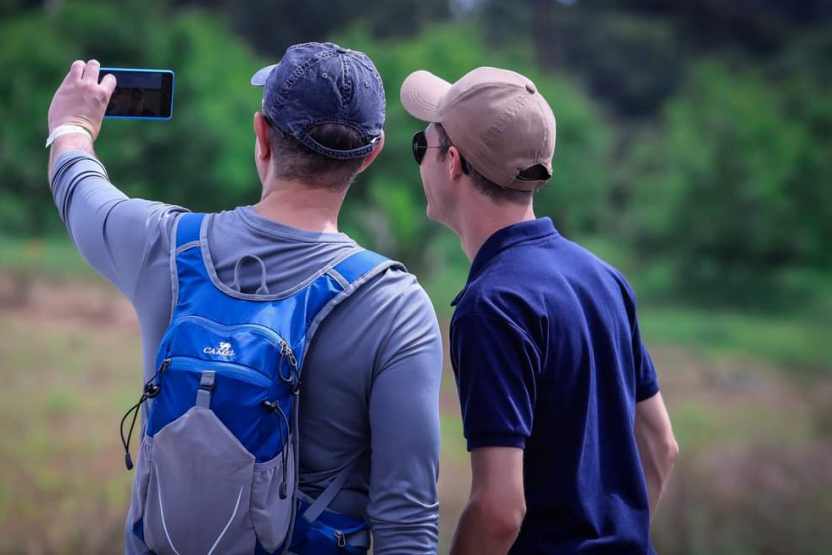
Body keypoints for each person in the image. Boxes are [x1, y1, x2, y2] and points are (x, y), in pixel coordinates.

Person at [45, 44, 442, 555]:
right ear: (371, 153)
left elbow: (78, 189)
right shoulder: (395, 304)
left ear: (262, 135)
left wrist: (72, 124)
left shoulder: (164, 245)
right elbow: (407, 525)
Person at [400, 66, 680, 554]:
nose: (420, 159)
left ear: (453, 163)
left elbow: (499, 511)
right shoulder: (603, 278)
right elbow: (660, 447)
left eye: (421, 146)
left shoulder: (492, 307)